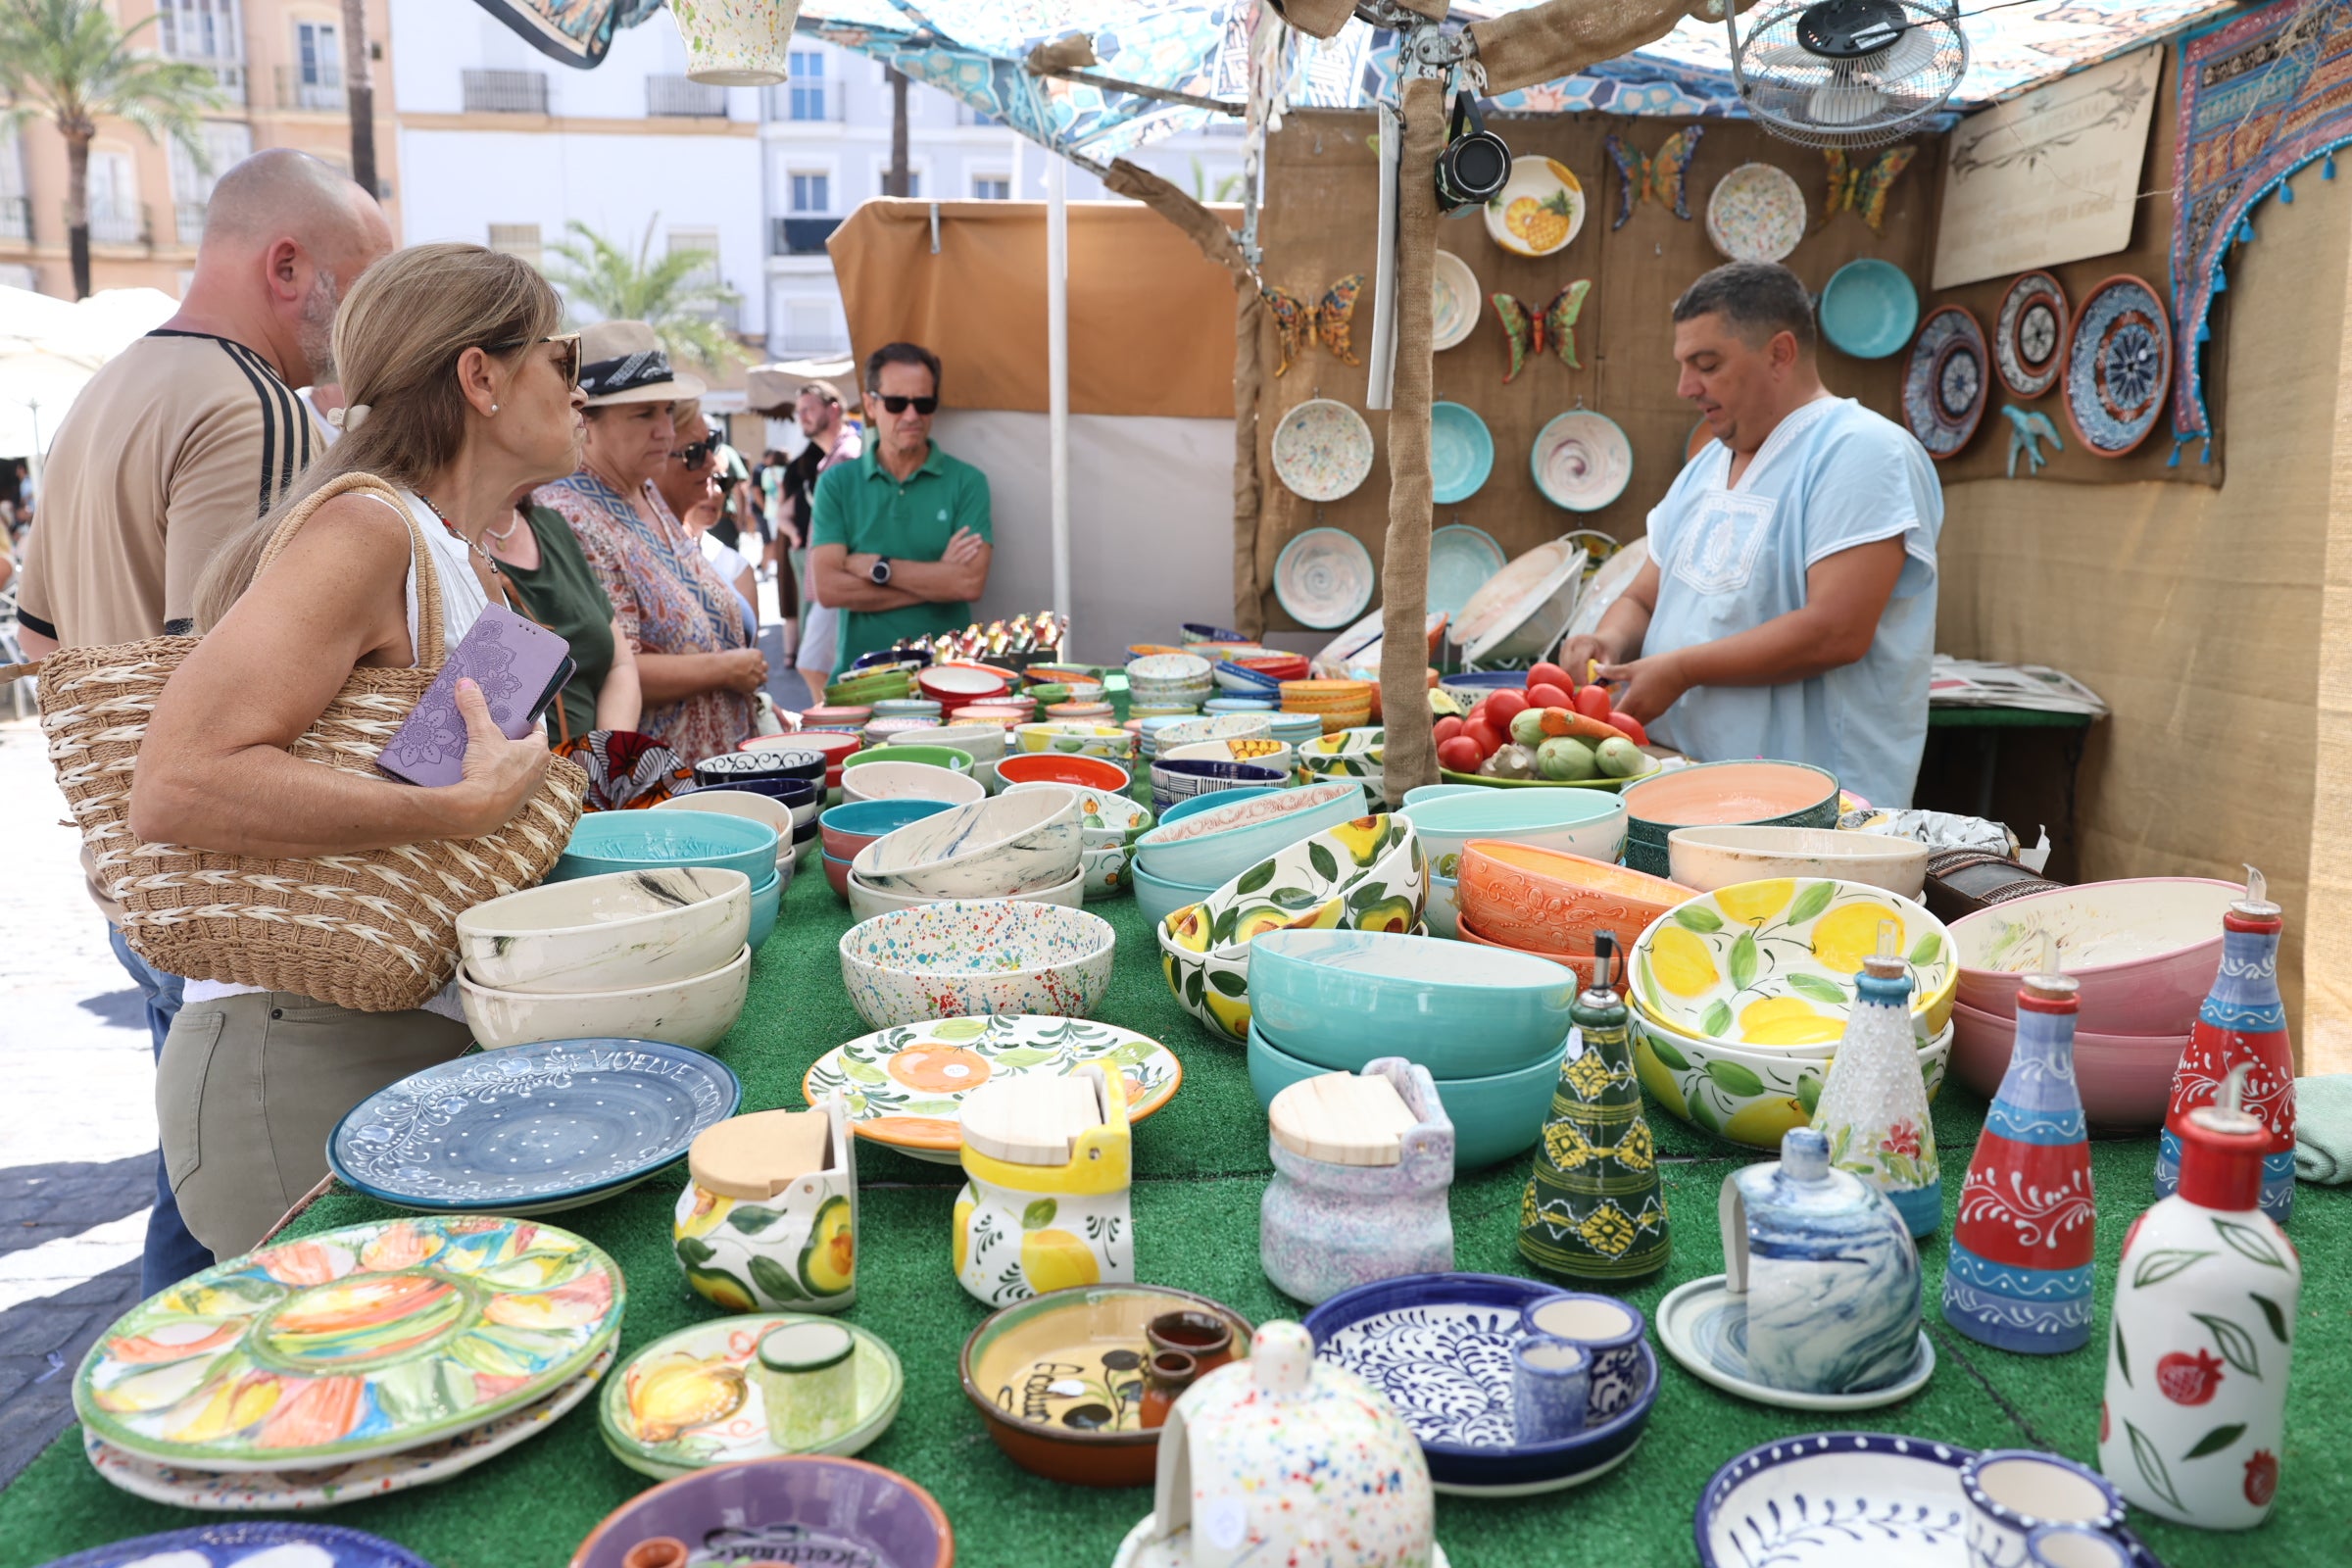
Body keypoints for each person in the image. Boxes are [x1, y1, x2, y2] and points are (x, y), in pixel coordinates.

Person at [128, 243, 582, 1261]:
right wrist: (453, 811)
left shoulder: (458, 557)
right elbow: (177, 782)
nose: (578, 388)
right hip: (300, 1063)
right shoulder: (370, 531)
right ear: (482, 376)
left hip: (390, 1035)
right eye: (564, 357)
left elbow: (432, 778)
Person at [12, 148, 392, 1294]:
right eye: (357, 285)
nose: (360, 324)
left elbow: (37, 639)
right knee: (238, 1197)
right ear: (289, 266)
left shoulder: (106, 389)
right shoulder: (254, 407)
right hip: (223, 872)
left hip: (133, 867)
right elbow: (219, 685)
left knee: (194, 1162)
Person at [1560, 261, 1941, 808]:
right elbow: (1644, 596)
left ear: (1780, 353)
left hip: (1812, 809)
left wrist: (1683, 668)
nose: (1686, 387)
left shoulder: (1862, 451)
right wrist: (1608, 641)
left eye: (1707, 365)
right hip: (1688, 787)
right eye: (1684, 365)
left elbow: (1836, 630)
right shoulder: (1704, 466)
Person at [533, 321, 763, 762]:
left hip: (713, 770)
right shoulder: (569, 514)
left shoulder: (645, 491)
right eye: (644, 414)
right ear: (586, 420)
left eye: (666, 410)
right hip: (659, 785)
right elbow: (607, 664)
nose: (666, 431)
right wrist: (727, 668)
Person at [810, 349, 986, 676]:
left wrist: (878, 568)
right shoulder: (837, 483)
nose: (911, 415)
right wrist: (937, 581)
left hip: (949, 681)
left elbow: (967, 584)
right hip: (859, 682)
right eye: (896, 403)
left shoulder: (968, 482)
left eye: (924, 403)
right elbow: (829, 589)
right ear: (870, 405)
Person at [652, 399, 759, 638]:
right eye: (696, 452)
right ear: (655, 455)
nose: (710, 461)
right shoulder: (634, 540)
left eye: (711, 443)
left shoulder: (726, 560)